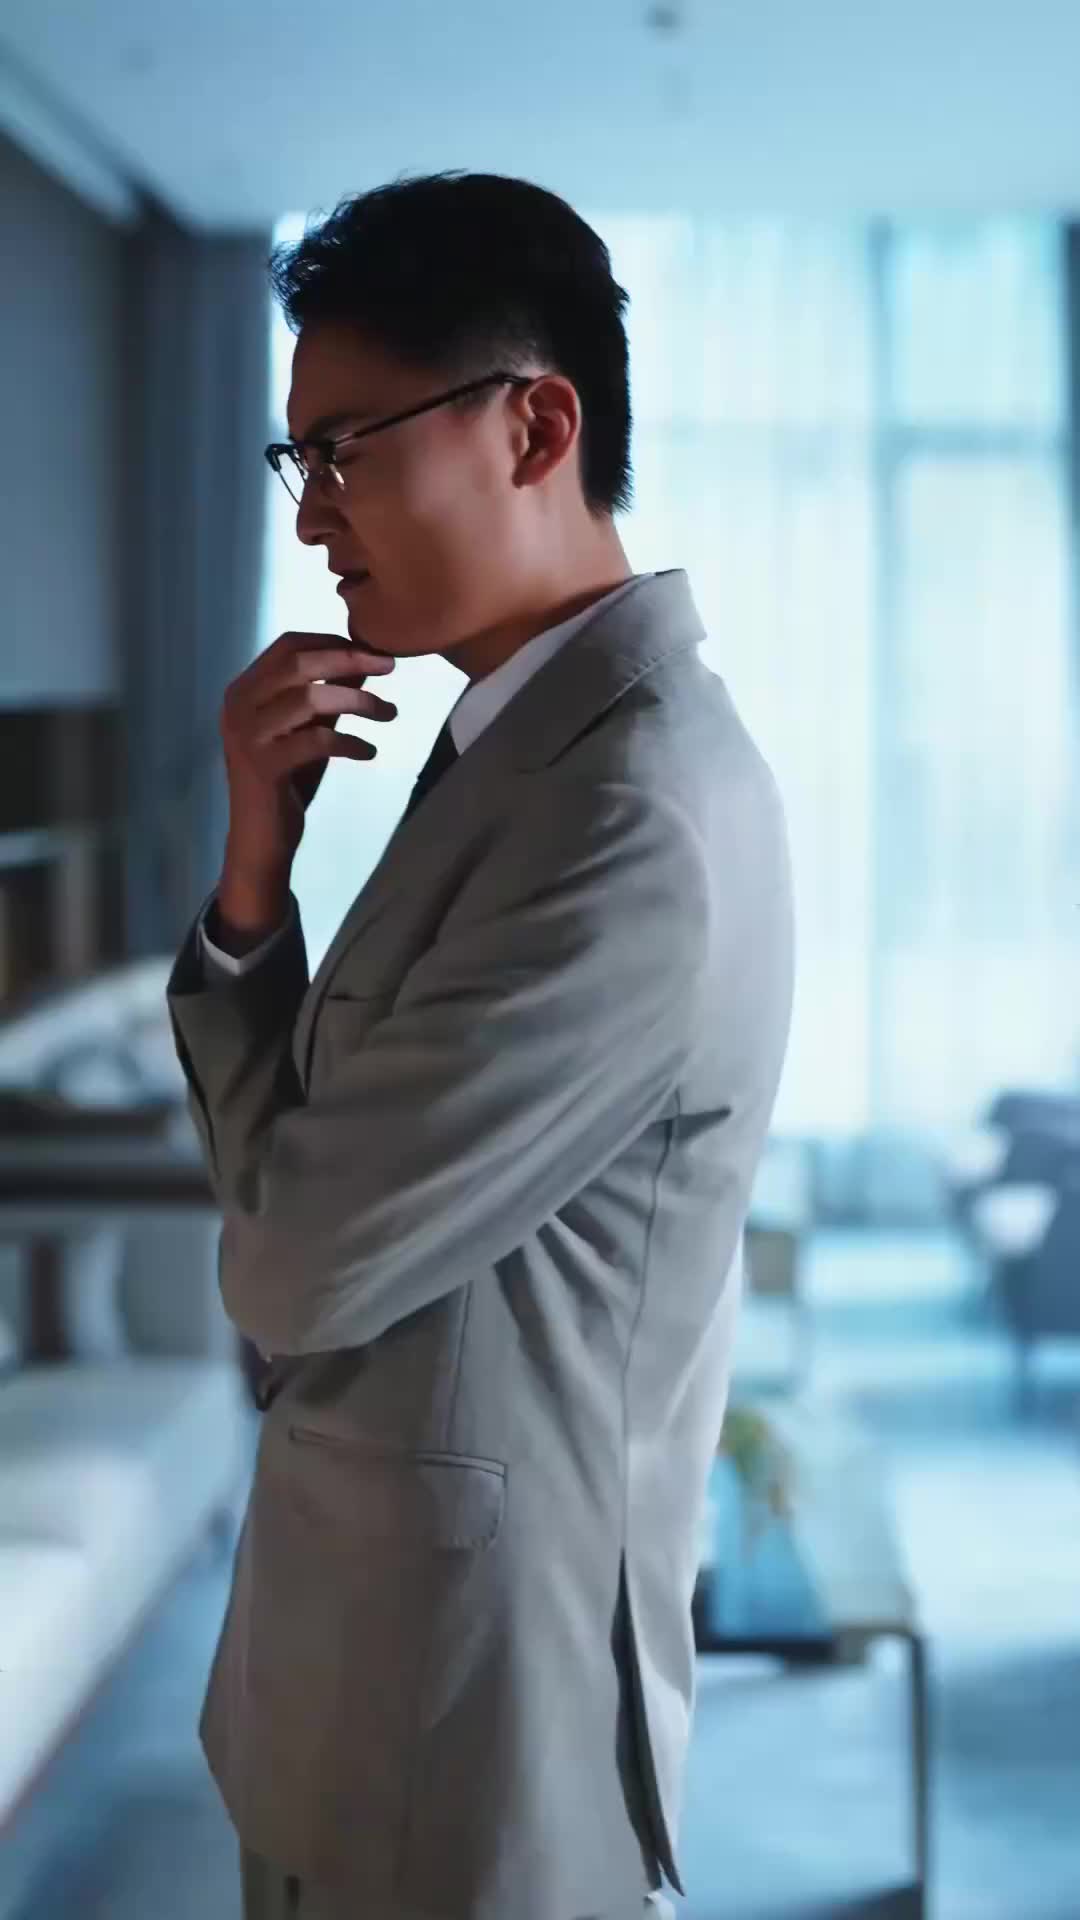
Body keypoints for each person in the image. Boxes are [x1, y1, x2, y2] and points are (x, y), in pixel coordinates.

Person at [166, 170, 794, 1920]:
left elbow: (290, 1270)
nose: (314, 517)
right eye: (297, 460)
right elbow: (312, 1191)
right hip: (376, 1682)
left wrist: (278, 1189)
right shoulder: (523, 744)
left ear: (535, 426)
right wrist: (253, 879)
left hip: (460, 1734)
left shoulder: (627, 813)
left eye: (345, 449)